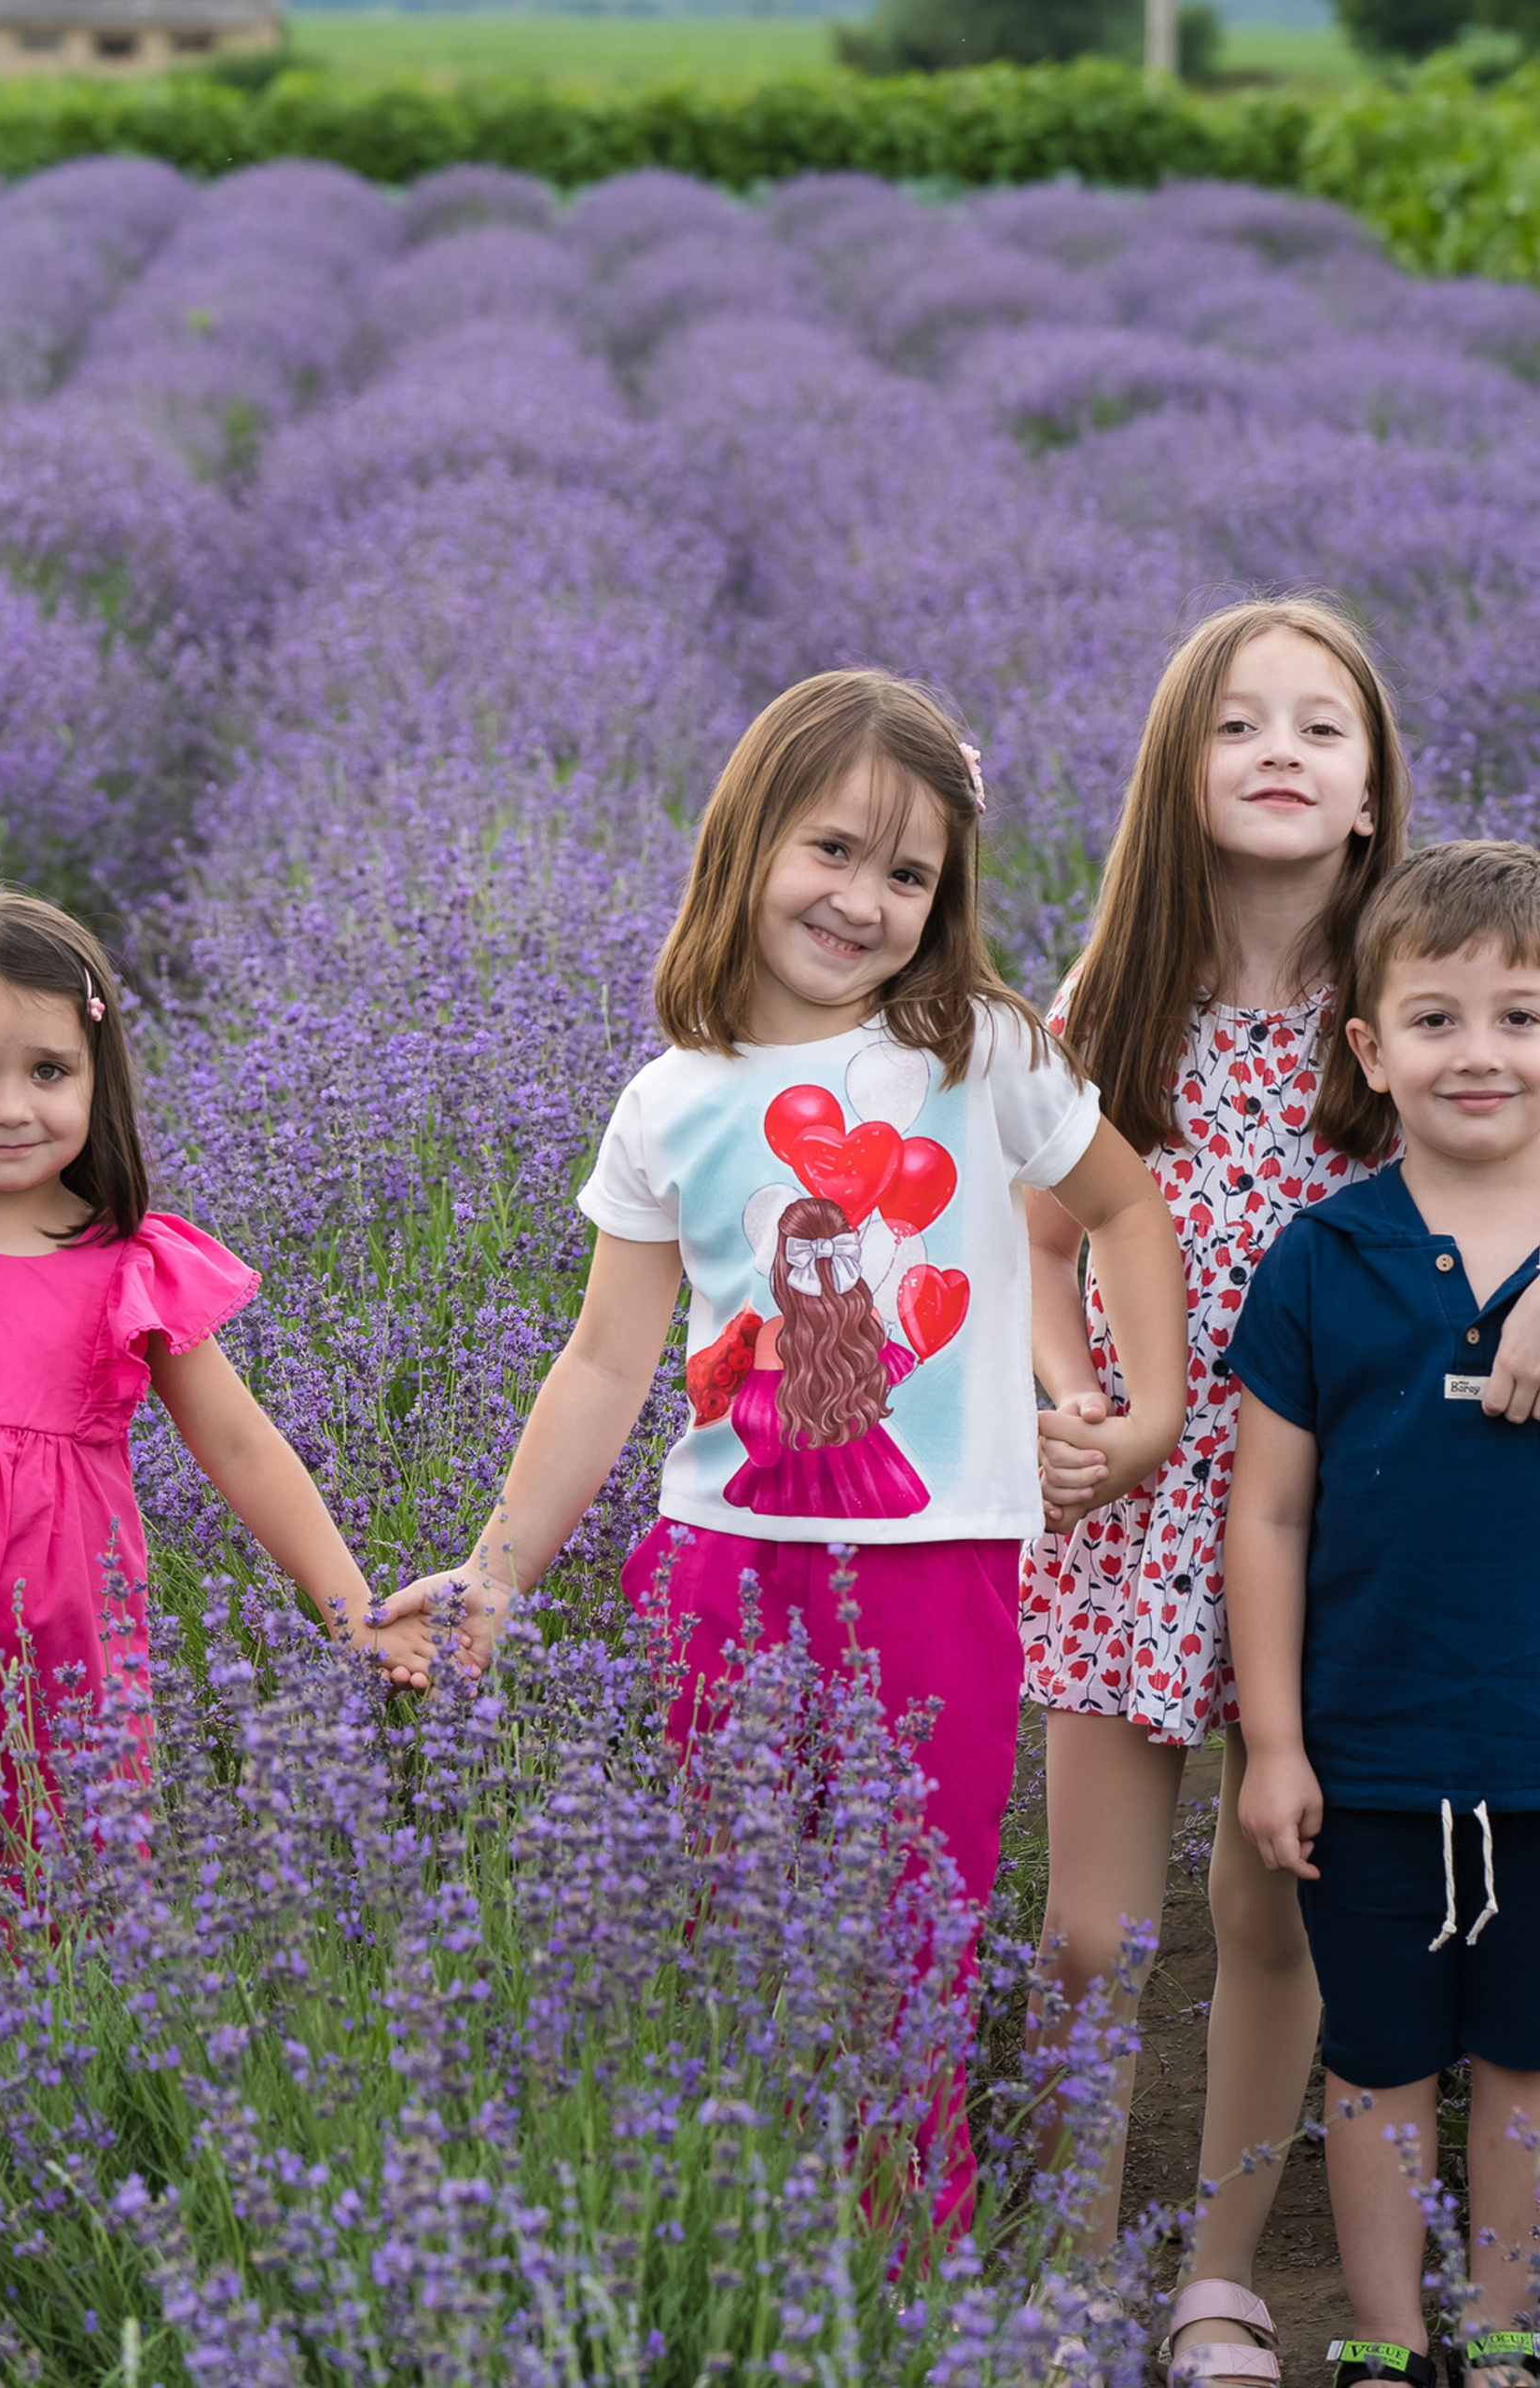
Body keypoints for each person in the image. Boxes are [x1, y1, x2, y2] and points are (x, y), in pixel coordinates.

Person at [386, 668, 1189, 2217]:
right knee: (737, 1946)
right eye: (832, 851)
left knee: (914, 1950)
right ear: (745, 844)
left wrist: (1138, 1406)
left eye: (908, 874)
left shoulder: (982, 1057)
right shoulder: (670, 1102)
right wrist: (493, 1572)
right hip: (726, 1573)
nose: (863, 899)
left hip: (940, 1571)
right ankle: (760, 2270)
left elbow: (1124, 1205)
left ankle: (905, 2295)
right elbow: (608, 1359)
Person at [1022, 600, 1540, 2383]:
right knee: (1094, 1927)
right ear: (1181, 773)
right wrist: (1074, 1392)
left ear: (1377, 789)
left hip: (1341, 1517)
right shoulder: (1108, 1001)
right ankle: (1072, 2259)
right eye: (1240, 726)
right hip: (1128, 1503)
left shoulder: (1401, 1000)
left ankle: (1219, 2274)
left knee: (1274, 1899)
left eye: (1324, 728)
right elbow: (1032, 1237)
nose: (1282, 755)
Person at [0, 888, 433, 2020]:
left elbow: (239, 1443)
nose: (9, 1108)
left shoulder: (127, 1263)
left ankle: (17, 2151)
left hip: (64, 1635)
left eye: (47, 1072)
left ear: (96, 1076)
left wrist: (351, 1608)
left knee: (51, 1878)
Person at [1228, 840, 1540, 2388]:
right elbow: (1270, 1513)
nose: (1479, 1054)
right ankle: (1383, 2334)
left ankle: (1505, 2330)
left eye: (1523, 1018)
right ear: (1367, 1046)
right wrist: (1274, 1743)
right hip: (1371, 1747)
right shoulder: (1325, 1256)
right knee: (1378, 2064)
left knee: (1530, 2065)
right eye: (1437, 1019)